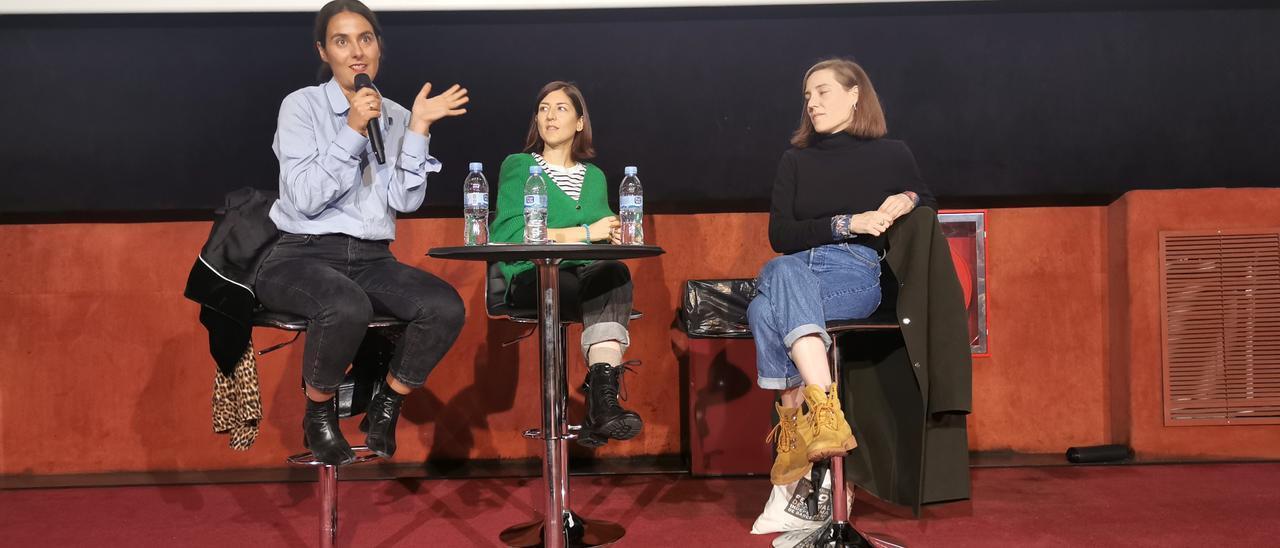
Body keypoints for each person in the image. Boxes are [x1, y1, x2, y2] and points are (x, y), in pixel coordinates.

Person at [256, 0, 470, 465]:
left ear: (378, 47)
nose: (356, 51)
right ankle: (318, 413)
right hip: (300, 255)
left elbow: (405, 201)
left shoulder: (391, 112)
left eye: (365, 38)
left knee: (443, 307)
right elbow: (304, 198)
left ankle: (385, 405)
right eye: (341, 40)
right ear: (323, 50)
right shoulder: (302, 107)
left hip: (372, 258)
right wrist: (352, 129)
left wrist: (417, 128)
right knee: (344, 305)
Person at [749, 58, 936, 485]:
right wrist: (847, 222)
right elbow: (781, 234)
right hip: (796, 269)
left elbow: (926, 201)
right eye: (807, 96)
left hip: (854, 273)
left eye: (822, 92)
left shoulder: (892, 153)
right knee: (780, 275)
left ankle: (795, 428)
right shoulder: (794, 161)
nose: (812, 103)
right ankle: (825, 416)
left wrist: (907, 198)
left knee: (766, 306)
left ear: (855, 95)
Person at [490, 81, 643, 448]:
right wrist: (584, 233)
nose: (549, 115)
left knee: (615, 272)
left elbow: (601, 233)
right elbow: (510, 233)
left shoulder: (594, 178)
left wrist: (615, 234)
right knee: (594, 283)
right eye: (543, 108)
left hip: (584, 277)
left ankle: (601, 400)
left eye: (560, 108)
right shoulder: (520, 165)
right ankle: (600, 404)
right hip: (534, 275)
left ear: (579, 122)